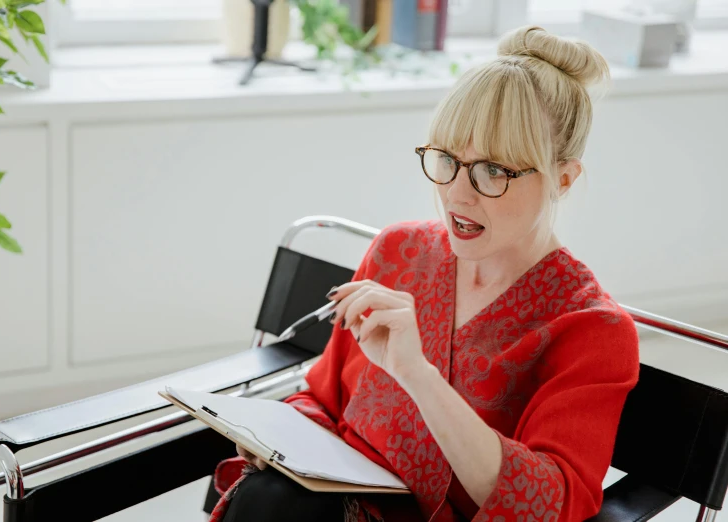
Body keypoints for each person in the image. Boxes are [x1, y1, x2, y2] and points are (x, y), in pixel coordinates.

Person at [207, 24, 640, 522]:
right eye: (447, 160)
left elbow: (551, 506)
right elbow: (323, 399)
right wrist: (278, 438)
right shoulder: (398, 251)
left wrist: (419, 376)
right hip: (322, 508)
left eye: (495, 171)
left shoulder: (592, 330)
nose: (458, 193)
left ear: (562, 178)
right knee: (271, 497)